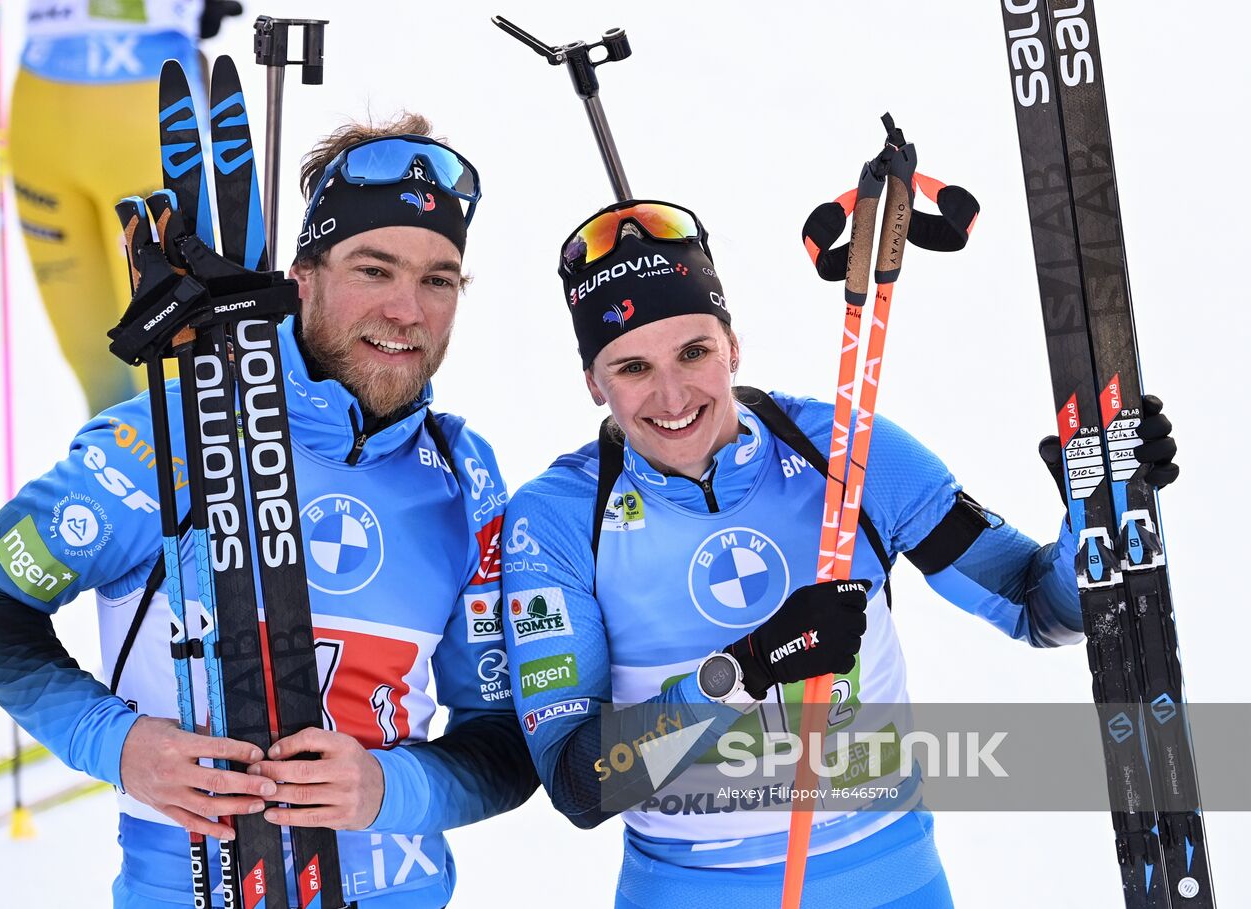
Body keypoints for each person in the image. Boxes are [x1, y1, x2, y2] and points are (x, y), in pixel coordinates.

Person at [500, 199, 1180, 907]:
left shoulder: (846, 449)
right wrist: (748, 669)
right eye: (633, 366)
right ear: (592, 381)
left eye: (695, 352)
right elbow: (581, 783)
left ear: (733, 345)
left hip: (893, 881)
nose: (672, 395)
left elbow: (1041, 610)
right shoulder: (556, 519)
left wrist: (1090, 514)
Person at [0, 115, 538, 908]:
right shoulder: (171, 435)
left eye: (439, 279)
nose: (406, 310)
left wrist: (391, 787)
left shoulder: (466, 477)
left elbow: (503, 740)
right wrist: (118, 745)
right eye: (374, 269)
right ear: (305, 277)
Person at [10, 0, 242, 414]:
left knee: (174, 372)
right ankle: (109, 475)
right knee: (97, 369)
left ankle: (185, 475)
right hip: (41, 111)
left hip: (147, 99)